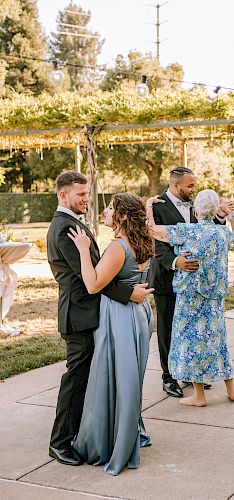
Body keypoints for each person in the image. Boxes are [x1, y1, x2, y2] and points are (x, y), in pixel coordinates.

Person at [46, 172, 150, 467]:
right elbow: (90, 278)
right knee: (76, 379)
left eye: (87, 193)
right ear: (63, 195)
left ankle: (93, 432)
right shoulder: (64, 227)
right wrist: (129, 294)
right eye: (80, 195)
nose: (86, 199)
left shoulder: (74, 223)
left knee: (95, 379)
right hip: (78, 315)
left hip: (93, 313)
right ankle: (60, 442)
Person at [69, 193, 154, 475]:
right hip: (139, 315)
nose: (104, 211)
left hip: (119, 317)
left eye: (110, 208)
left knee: (112, 377)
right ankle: (127, 431)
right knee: (128, 380)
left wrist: (83, 249)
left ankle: (114, 441)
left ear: (123, 216)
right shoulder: (143, 242)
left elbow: (93, 285)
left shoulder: (119, 247)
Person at [147, 189, 234, 407]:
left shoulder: (187, 232)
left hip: (191, 298)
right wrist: (232, 218)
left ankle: (199, 396)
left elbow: (152, 230)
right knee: (217, 340)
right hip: (214, 299)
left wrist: (148, 207)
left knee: (193, 342)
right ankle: (231, 390)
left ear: (196, 210)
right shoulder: (221, 233)